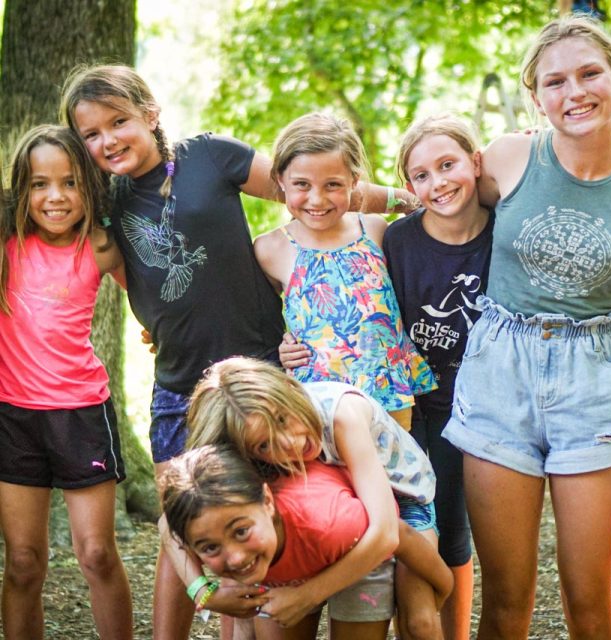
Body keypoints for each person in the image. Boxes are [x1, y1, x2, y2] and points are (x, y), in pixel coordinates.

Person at [59, 65, 418, 640]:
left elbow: (307, 188)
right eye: (91, 134)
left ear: (150, 114)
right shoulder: (107, 199)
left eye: (118, 121)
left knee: (258, 519)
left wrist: (411, 199)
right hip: (181, 385)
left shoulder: (210, 157)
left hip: (263, 374)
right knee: (179, 526)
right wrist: (153, 317)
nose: (107, 141)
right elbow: (126, 272)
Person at [438, 15, 611, 639]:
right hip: (498, 374)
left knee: (590, 598)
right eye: (556, 82)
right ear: (536, 99)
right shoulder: (510, 158)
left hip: (590, 380)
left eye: (590, 73)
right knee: (508, 599)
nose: (576, 92)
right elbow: (431, 214)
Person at [185, 357, 445, 639]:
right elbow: (170, 524)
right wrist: (202, 590)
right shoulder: (257, 448)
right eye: (264, 445)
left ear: (289, 389)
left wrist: (307, 595)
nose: (290, 443)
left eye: (282, 419)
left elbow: (386, 533)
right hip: (327, 492)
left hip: (402, 496)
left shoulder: (342, 414)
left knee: (420, 621)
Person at [0, 125, 130, 640]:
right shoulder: (7, 242)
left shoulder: (101, 245)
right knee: (24, 562)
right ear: (21, 189)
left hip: (81, 414)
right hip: (13, 416)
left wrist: (158, 335)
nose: (55, 197)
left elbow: (157, 305)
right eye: (39, 184)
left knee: (97, 554)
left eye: (70, 182)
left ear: (90, 187)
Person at [255, 112, 435, 433]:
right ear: (280, 179)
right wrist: (281, 347)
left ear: (355, 181)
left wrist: (407, 198)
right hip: (322, 406)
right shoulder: (270, 249)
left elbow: (432, 209)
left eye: (333, 185)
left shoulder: (377, 231)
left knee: (399, 480)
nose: (316, 198)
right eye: (301, 184)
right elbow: (259, 324)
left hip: (391, 398)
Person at [161, 443, 453, 640]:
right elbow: (166, 525)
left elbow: (397, 534)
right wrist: (202, 590)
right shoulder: (204, 518)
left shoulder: (331, 522)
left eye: (240, 532)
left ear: (267, 501)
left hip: (358, 551)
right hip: (284, 562)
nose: (236, 558)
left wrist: (443, 585)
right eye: (210, 547)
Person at [389, 113, 493, 640]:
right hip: (420, 405)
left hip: (489, 407)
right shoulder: (398, 241)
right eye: (422, 175)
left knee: (458, 538)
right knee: (421, 526)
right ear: (409, 187)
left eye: (448, 165)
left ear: (476, 163)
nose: (438, 183)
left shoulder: (507, 227)